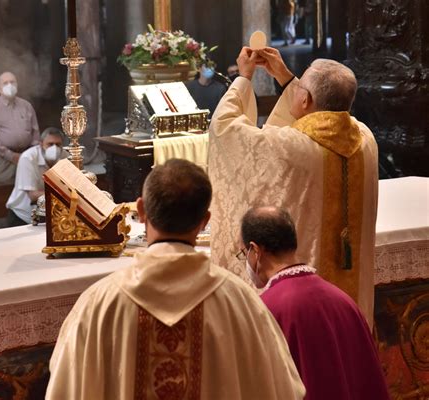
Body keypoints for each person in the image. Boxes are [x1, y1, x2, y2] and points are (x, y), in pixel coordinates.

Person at [46, 159, 305, 400]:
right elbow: (285, 390)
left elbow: (64, 389)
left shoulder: (98, 306)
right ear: (205, 221)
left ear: (141, 211)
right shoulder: (243, 305)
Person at [208, 47, 378, 324]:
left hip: (301, 306)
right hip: (352, 301)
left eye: (301, 88)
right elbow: (319, 111)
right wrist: (288, 80)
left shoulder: (291, 147)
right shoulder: (365, 139)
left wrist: (244, 77)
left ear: (306, 99)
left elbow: (225, 128)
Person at [239, 206, 390, 400]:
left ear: (255, 250)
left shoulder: (264, 309)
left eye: (244, 253)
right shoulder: (343, 300)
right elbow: (369, 381)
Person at [0, 71, 40, 186]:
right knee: (3, 194)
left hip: (26, 157)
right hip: (3, 160)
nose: (9, 85)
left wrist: (31, 154)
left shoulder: (26, 106)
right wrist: (11, 156)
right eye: (5, 83)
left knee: (29, 190)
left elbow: (35, 132)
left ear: (17, 85)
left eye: (12, 82)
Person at [6, 127, 66, 226]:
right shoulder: (28, 158)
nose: (54, 148)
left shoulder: (65, 156)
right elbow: (33, 195)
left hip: (50, 214)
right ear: (41, 144)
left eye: (58, 144)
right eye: (50, 144)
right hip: (23, 216)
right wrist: (63, 195)